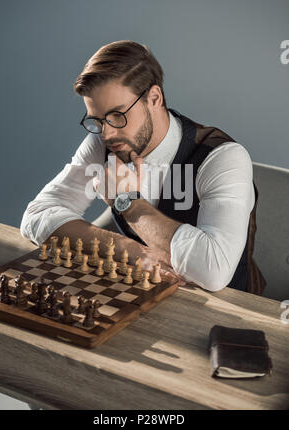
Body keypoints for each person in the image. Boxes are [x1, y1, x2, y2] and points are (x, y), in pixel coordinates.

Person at [20, 40, 266, 294]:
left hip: (230, 310)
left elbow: (213, 272)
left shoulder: (222, 157)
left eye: (118, 115)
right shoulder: (105, 143)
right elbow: (37, 214)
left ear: (154, 98)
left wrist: (127, 202)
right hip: (141, 293)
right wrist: (129, 251)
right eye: (97, 120)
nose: (107, 133)